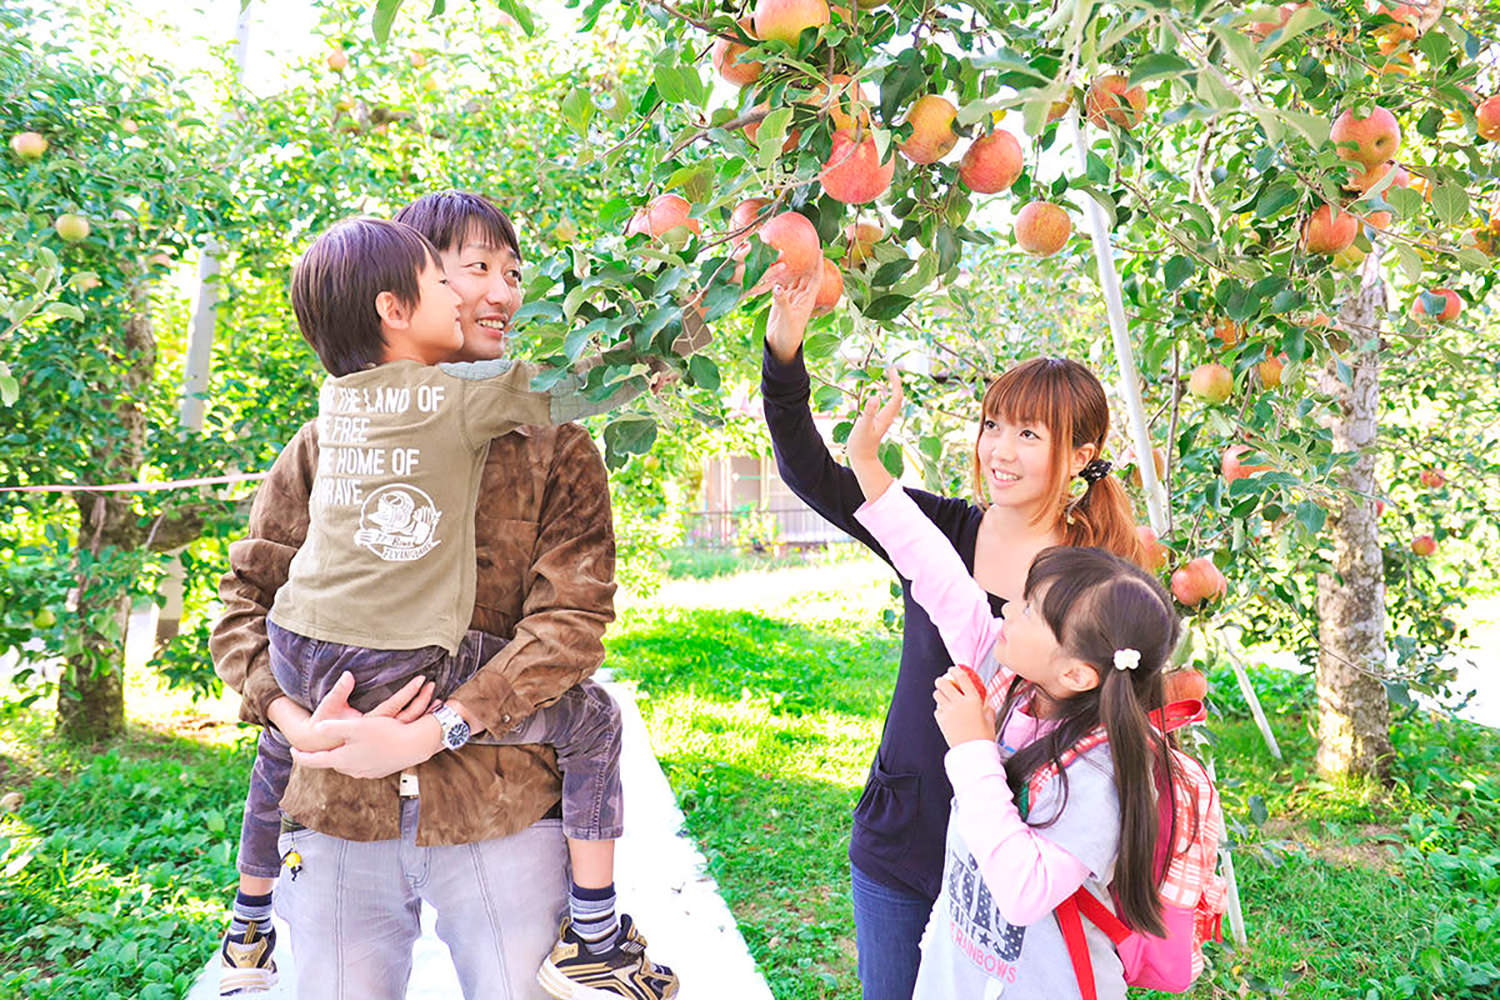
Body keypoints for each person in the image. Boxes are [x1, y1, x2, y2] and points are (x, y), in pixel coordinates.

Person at [213, 193, 673, 1000]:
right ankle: (253, 918)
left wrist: (436, 730)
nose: (496, 294)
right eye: (470, 270)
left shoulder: (551, 445)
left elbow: (571, 624)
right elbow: (248, 601)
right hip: (338, 817)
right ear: (406, 292)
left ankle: (249, 922)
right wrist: (295, 722)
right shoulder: (324, 443)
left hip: (502, 815)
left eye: (512, 272)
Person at [759, 269, 1147, 999]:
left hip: (1011, 847)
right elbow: (811, 469)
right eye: (992, 425)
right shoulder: (939, 530)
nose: (998, 449)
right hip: (904, 829)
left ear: (1086, 452)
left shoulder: (1094, 579)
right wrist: (785, 355)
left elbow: (1110, 720)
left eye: (1028, 434)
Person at [844, 371, 1184, 996]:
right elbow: (938, 573)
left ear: (1077, 671)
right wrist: (866, 463)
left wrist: (972, 747)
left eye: (1026, 609)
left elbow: (1024, 889)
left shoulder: (1098, 770)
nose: (1003, 609)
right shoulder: (1011, 680)